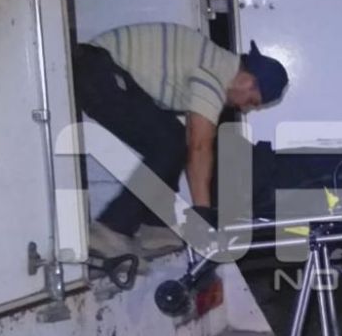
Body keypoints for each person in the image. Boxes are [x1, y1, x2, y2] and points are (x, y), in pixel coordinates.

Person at [73, 22, 288, 260]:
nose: (244, 108)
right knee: (169, 144)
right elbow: (200, 146)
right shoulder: (216, 74)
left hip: (103, 69)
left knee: (174, 140)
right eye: (252, 102)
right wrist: (202, 214)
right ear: (248, 81)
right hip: (96, 68)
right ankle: (110, 229)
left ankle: (154, 226)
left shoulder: (215, 64)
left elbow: (192, 142)